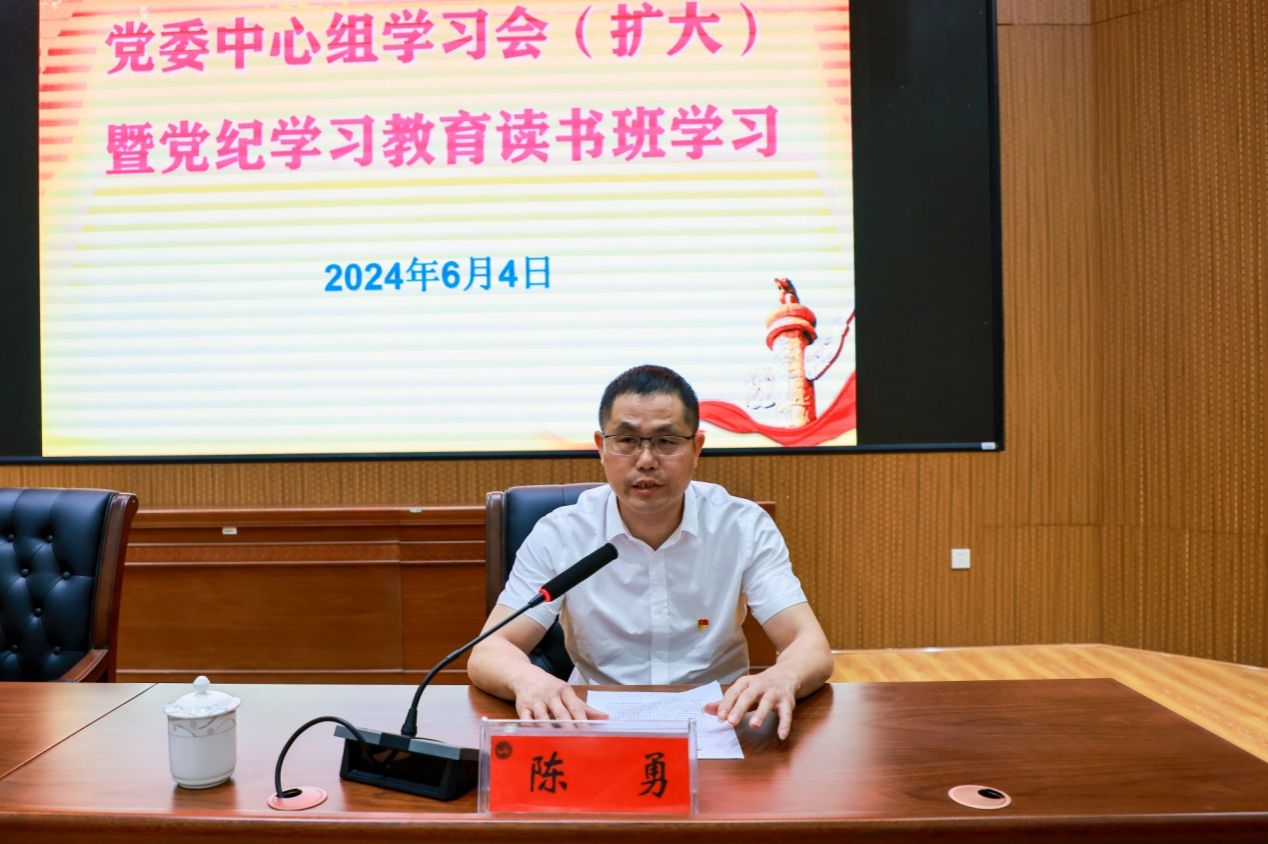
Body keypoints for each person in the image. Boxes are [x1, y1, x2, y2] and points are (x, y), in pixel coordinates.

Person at [467, 364, 833, 740]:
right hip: (594, 725)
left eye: (666, 441)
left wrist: (784, 675)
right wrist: (529, 680)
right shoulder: (561, 534)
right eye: (626, 440)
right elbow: (491, 649)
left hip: (717, 724)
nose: (645, 460)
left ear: (696, 449)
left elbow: (809, 644)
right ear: (601, 448)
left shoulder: (742, 526)